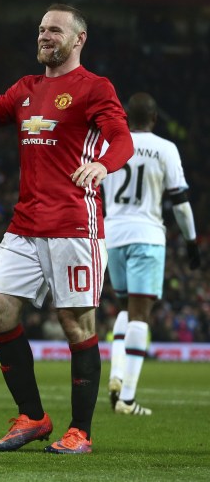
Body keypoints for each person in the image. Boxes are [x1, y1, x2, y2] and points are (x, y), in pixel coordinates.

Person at [0, 3, 134, 455]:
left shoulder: (95, 88)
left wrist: (101, 164)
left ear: (79, 40)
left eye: (55, 30)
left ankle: (81, 432)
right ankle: (33, 416)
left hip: (75, 224)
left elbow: (123, 140)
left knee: (76, 324)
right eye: (41, 29)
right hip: (25, 224)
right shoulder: (26, 88)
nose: (44, 36)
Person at [103, 92, 200, 416]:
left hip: (113, 236)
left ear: (127, 118)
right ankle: (127, 399)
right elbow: (181, 203)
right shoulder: (165, 149)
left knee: (124, 309)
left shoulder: (108, 146)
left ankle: (116, 375)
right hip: (146, 235)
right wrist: (190, 242)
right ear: (155, 119)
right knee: (141, 315)